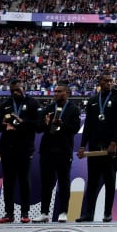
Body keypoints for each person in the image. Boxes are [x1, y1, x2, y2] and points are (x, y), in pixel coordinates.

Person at [77, 72, 117, 222]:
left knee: (110, 181)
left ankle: (107, 213)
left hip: (109, 147)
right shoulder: (93, 100)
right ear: (100, 82)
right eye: (106, 80)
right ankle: (88, 214)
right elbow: (88, 125)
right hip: (94, 147)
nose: (109, 83)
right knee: (92, 181)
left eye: (111, 80)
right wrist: (82, 145)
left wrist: (114, 142)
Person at [0, 79, 40, 223]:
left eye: (17, 89)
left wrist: (23, 122)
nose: (15, 92)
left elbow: (38, 126)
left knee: (24, 180)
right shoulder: (6, 104)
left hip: (25, 148)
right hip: (7, 148)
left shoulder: (32, 103)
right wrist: (5, 126)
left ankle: (25, 213)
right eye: (12, 90)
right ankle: (9, 214)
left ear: (23, 87)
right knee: (8, 181)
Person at [36, 80, 82, 222]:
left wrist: (63, 124)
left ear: (67, 93)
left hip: (64, 150)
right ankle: (44, 213)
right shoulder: (48, 108)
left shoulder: (74, 110)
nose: (55, 94)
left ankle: (63, 212)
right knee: (46, 183)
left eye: (58, 91)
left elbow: (74, 129)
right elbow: (38, 128)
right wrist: (45, 123)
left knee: (64, 183)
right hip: (47, 150)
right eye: (54, 91)